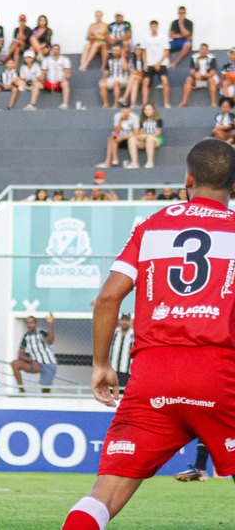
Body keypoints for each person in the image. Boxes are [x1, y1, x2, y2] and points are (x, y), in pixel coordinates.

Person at [62, 139, 235, 530]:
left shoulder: (153, 224)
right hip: (219, 372)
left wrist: (101, 364)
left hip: (152, 375)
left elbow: (108, 298)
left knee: (102, 496)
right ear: (233, 185)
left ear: (187, 178)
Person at [11, 314, 57, 393]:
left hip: (48, 364)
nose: (29, 325)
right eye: (27, 323)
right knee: (15, 364)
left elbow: (50, 340)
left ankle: (45, 402)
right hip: (35, 364)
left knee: (45, 392)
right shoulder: (26, 336)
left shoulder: (41, 333)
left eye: (31, 323)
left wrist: (50, 324)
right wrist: (29, 360)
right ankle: (21, 390)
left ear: (35, 324)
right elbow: (20, 353)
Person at [110, 313, 134, 390]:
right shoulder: (114, 333)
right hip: (113, 369)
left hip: (127, 370)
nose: (124, 322)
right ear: (119, 321)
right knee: (112, 392)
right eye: (123, 320)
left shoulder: (134, 334)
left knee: (125, 392)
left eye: (127, 320)